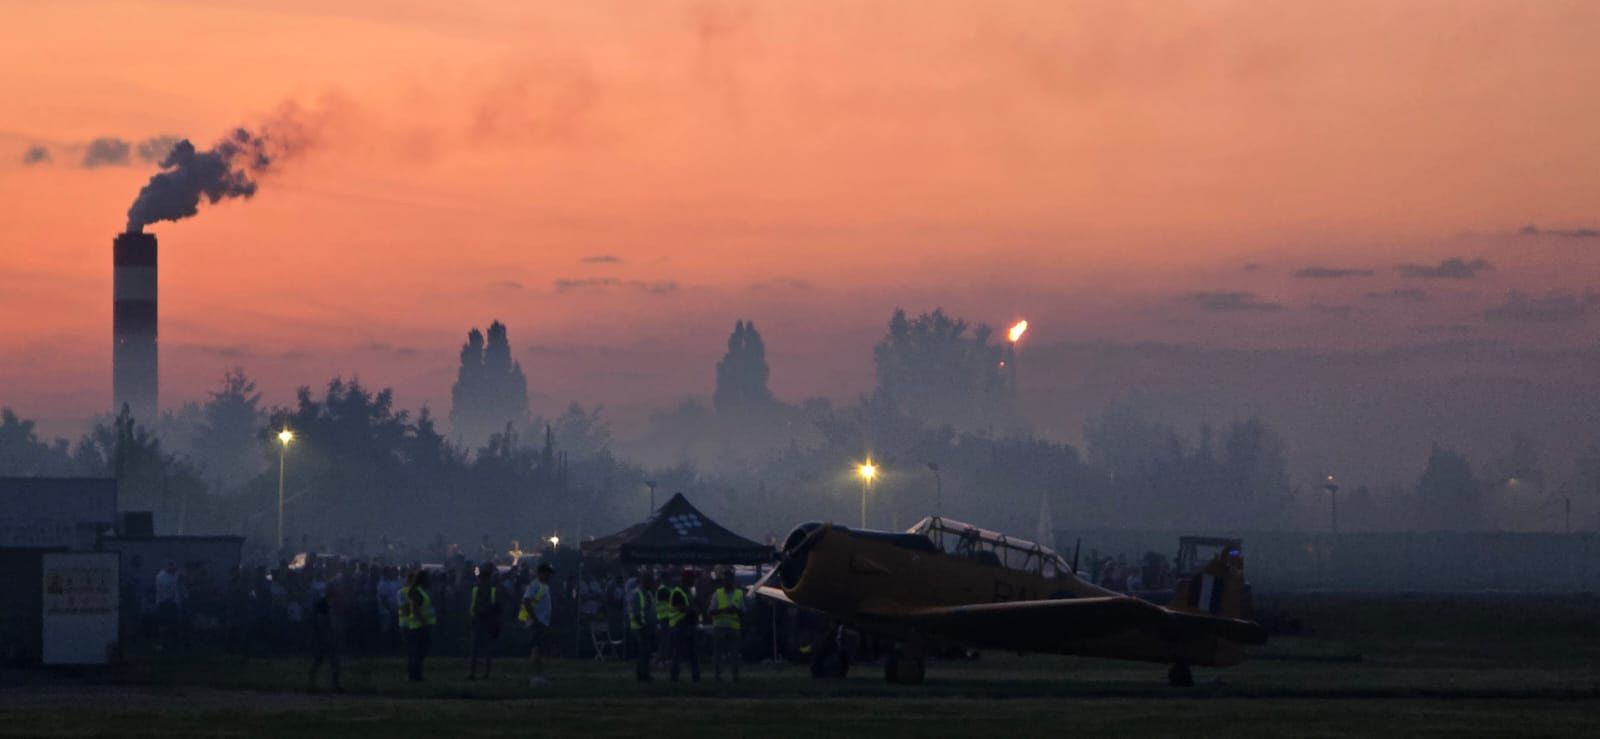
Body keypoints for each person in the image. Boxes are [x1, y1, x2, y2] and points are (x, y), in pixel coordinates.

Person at [307, 568, 345, 693]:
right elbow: (320, 620)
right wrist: (325, 634)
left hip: (331, 634)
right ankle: (312, 683)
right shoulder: (323, 603)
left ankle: (335, 684)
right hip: (324, 635)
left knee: (334, 660)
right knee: (320, 659)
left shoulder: (333, 602)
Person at [399, 570, 437, 682]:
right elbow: (415, 609)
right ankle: (414, 676)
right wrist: (424, 621)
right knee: (416, 653)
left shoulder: (420, 591)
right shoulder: (417, 592)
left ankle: (415, 675)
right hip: (417, 626)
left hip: (420, 626)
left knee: (419, 652)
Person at [520, 562, 554, 686]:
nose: (549, 576)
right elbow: (526, 601)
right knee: (536, 649)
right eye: (548, 573)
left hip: (541, 622)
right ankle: (536, 676)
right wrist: (535, 619)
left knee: (540, 649)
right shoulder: (535, 586)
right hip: (537, 623)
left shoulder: (543, 587)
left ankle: (539, 674)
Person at [467, 563, 502, 681]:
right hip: (481, 622)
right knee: (480, 650)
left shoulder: (482, 590)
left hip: (485, 622)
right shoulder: (488, 590)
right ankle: (481, 673)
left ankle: (478, 673)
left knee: (479, 650)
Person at [708, 568, 744, 681]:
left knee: (734, 654)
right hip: (720, 627)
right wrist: (724, 610)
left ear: (732, 580)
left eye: (729, 579)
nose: (727, 581)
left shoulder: (739, 593)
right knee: (718, 654)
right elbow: (710, 611)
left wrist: (737, 610)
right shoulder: (717, 594)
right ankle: (717, 675)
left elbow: (743, 611)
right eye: (726, 579)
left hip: (733, 627)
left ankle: (735, 676)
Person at [668, 568, 700, 682]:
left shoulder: (688, 591)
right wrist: (692, 609)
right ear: (687, 579)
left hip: (688, 624)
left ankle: (696, 676)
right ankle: (674, 676)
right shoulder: (678, 591)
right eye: (692, 578)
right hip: (679, 625)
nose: (694, 580)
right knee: (678, 653)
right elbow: (680, 608)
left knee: (692, 652)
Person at [625, 571, 657, 682]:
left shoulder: (648, 594)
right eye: (650, 581)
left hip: (648, 628)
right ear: (645, 581)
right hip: (641, 628)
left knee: (646, 653)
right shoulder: (637, 594)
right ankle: (644, 676)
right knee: (644, 652)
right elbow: (636, 613)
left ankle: (643, 674)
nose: (652, 583)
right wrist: (643, 625)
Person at [154, 560, 183, 651]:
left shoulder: (174, 574)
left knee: (174, 624)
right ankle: (162, 643)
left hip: (173, 603)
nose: (173, 568)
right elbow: (164, 590)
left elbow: (181, 576)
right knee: (163, 624)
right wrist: (169, 599)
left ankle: (173, 644)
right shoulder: (161, 576)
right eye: (171, 566)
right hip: (164, 603)